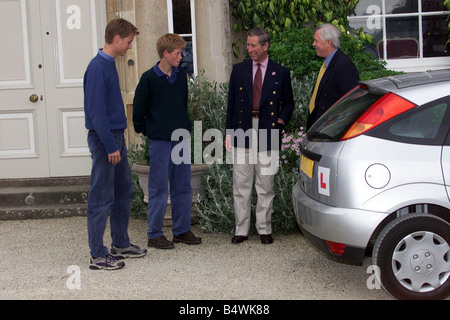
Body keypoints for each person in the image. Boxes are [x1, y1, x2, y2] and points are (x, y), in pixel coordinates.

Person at [83, 18, 147, 270]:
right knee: (101, 196)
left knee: (124, 190)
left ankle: (120, 243)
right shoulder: (98, 68)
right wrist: (110, 146)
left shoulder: (109, 64)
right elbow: (96, 112)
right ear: (117, 38)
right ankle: (98, 255)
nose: (130, 47)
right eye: (129, 42)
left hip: (114, 138)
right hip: (105, 140)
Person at [225, 27, 294, 245]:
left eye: (254, 45)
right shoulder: (239, 70)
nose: (249, 49)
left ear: (266, 46)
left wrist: (280, 122)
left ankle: (264, 229)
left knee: (266, 184)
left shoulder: (280, 72)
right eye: (248, 44)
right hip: (242, 129)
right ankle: (241, 229)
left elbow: (289, 103)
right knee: (241, 184)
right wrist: (228, 132)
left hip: (268, 131)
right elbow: (232, 104)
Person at [133, 33, 202, 249]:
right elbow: (138, 111)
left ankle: (181, 231)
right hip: (160, 141)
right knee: (159, 187)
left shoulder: (180, 76)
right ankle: (154, 234)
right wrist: (148, 131)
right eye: (177, 53)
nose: (181, 57)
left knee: (183, 186)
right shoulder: (148, 79)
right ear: (165, 54)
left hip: (180, 139)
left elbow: (182, 104)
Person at [306, 23, 359, 130]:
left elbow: (350, 102)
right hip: (320, 128)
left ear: (328, 43)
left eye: (316, 41)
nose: (313, 44)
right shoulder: (328, 63)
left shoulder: (343, 65)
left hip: (331, 130)